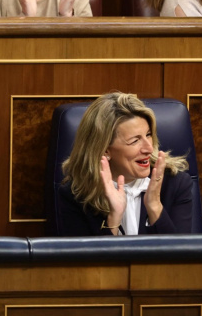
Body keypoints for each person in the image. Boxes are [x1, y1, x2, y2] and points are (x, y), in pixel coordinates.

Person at [58, 92, 193, 236]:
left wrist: (154, 206)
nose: (148, 148)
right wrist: (114, 217)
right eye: (135, 141)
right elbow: (88, 251)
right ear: (105, 150)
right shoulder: (76, 195)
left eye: (148, 135)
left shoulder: (175, 184)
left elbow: (180, 250)